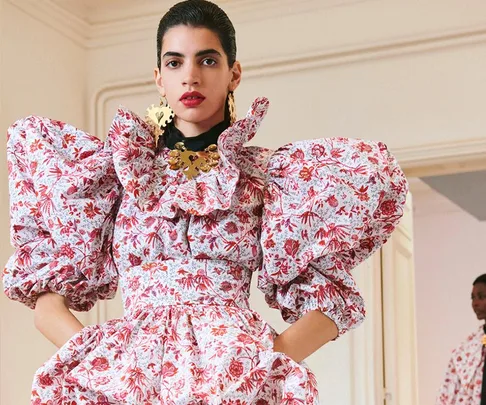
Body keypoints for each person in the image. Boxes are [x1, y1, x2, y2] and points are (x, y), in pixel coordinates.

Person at [3, 0, 408, 403]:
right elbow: (46, 305)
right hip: (126, 383)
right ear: (159, 78)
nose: (191, 76)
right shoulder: (117, 174)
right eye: (175, 63)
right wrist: (101, 359)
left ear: (234, 73)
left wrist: (266, 359)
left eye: (208, 61)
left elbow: (329, 303)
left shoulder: (267, 178)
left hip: (234, 382)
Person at [437, 274, 486, 404]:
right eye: (473, 298)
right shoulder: (468, 348)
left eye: (481, 297)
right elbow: (448, 391)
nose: (475, 303)